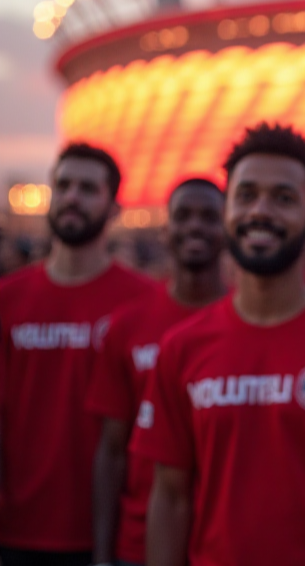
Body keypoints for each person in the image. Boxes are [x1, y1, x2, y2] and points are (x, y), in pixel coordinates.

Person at [130, 123, 305, 566]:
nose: (260, 211)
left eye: (284, 199)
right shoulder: (181, 348)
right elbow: (170, 497)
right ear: (227, 209)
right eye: (246, 195)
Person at [0, 143, 155, 566]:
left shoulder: (144, 304)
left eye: (88, 188)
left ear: (114, 207)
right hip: (16, 531)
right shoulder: (8, 300)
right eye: (63, 185)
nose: (71, 197)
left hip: (112, 538)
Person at [86, 178, 228, 566]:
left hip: (222, 544)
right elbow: (111, 450)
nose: (195, 226)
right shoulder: (128, 325)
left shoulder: (254, 326)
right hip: (140, 542)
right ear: (165, 230)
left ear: (228, 226)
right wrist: (101, 555)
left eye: (209, 216)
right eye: (183, 215)